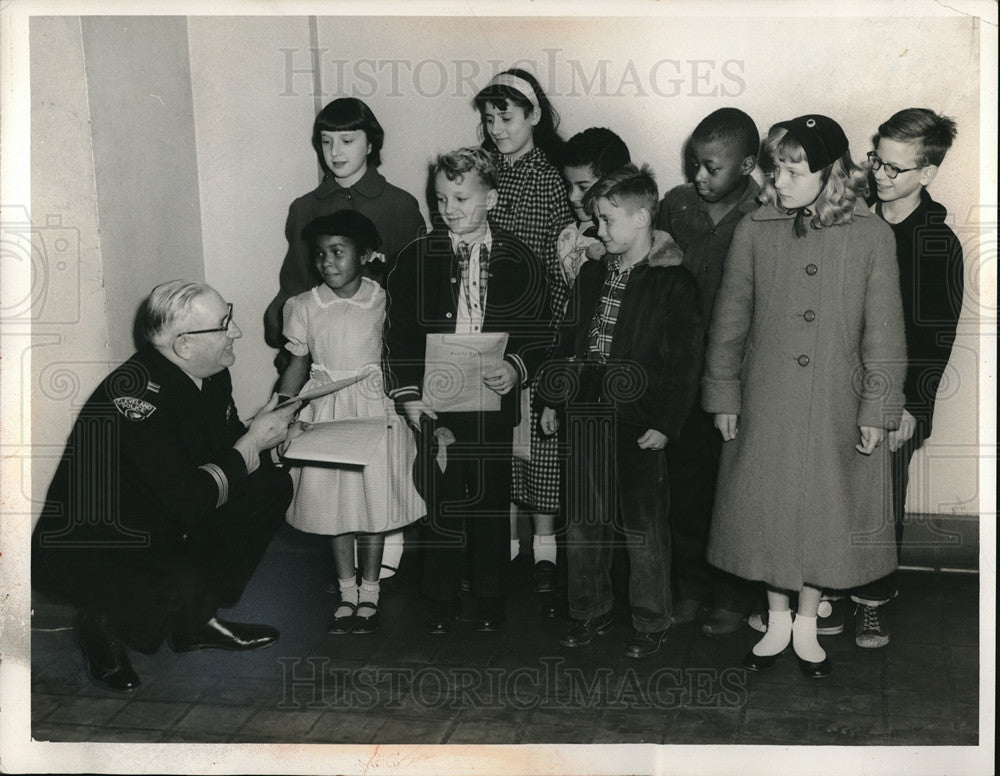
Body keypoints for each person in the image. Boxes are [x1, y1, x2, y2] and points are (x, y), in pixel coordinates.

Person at [702, 115, 907, 679]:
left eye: (795, 170)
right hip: (766, 400)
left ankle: (810, 621)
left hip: (838, 404)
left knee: (824, 509)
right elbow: (729, 324)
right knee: (767, 507)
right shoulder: (754, 229)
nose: (780, 180)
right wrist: (724, 395)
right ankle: (775, 619)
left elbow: (884, 332)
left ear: (830, 171)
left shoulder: (870, 236)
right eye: (776, 168)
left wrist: (878, 409)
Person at [32, 281, 300, 692]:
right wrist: (250, 443)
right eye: (224, 324)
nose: (237, 332)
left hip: (158, 514)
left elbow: (216, 451)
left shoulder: (208, 374)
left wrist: (267, 436)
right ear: (184, 345)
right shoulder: (136, 394)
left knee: (269, 486)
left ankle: (195, 622)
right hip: (100, 545)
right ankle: (100, 624)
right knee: (182, 537)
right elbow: (188, 502)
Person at [383, 147, 550, 634]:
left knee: (490, 500)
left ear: (492, 198)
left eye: (460, 197)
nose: (448, 208)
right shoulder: (418, 257)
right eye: (440, 198)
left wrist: (517, 367)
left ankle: (491, 594)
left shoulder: (520, 259)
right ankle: (439, 595)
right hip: (436, 404)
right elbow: (400, 334)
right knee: (442, 499)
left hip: (492, 402)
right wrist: (409, 395)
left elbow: (540, 332)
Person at [539, 164, 704, 659]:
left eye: (608, 220)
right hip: (586, 413)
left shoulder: (674, 282)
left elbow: (685, 362)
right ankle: (589, 610)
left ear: (641, 218)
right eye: (597, 220)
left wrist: (665, 422)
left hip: (639, 423)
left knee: (643, 525)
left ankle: (652, 618)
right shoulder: (591, 272)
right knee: (584, 521)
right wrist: (551, 397)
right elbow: (568, 339)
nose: (599, 230)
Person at [263, 97, 425, 583]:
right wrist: (290, 326)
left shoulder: (399, 204)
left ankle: (381, 555)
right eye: (326, 142)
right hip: (321, 353)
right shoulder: (304, 207)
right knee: (331, 477)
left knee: (381, 476)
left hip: (378, 362)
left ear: (371, 143)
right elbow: (294, 281)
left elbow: (410, 287)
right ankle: (348, 575)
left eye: (348, 141)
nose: (335, 152)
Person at [277, 211, 424, 635]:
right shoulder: (304, 306)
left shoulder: (384, 300)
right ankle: (346, 591)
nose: (328, 263)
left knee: (371, 503)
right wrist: (284, 411)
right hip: (326, 408)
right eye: (320, 254)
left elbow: (398, 355)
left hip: (374, 408)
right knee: (335, 506)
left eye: (339, 252)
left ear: (365, 255)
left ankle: (371, 590)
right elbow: (296, 365)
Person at [849, 108, 963, 649]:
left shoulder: (937, 243)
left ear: (927, 173)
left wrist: (912, 410)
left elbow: (935, 340)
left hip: (898, 402)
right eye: (877, 161)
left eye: (895, 169)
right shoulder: (852, 221)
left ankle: (871, 601)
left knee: (880, 501)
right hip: (839, 389)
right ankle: (823, 588)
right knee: (833, 491)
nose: (880, 176)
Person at [654, 107, 763, 636]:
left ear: (747, 164)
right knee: (686, 490)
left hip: (742, 381)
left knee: (735, 492)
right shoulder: (676, 205)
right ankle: (691, 586)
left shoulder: (767, 211)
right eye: (695, 164)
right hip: (683, 376)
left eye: (711, 167)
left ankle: (735, 595)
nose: (698, 176)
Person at [473, 69, 573, 590]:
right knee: (498, 443)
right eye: (489, 119)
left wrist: (548, 334)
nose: (496, 129)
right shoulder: (482, 171)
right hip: (489, 326)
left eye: (506, 117)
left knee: (538, 443)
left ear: (534, 115)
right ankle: (507, 546)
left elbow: (555, 264)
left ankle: (545, 552)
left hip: (534, 325)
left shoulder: (548, 176)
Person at [557, 127, 632, 288]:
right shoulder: (567, 237)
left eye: (583, 187)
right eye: (569, 186)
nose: (572, 196)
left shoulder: (632, 238)